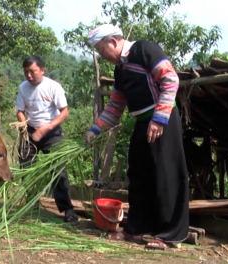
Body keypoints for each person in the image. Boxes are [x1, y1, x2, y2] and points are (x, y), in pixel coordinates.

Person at [85, 24, 189, 250]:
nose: (103, 56)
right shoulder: (120, 69)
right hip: (143, 122)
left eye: (102, 50)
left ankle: (169, 235)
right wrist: (96, 129)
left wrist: (160, 117)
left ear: (113, 41)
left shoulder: (145, 50)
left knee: (165, 175)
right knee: (138, 174)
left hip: (163, 120)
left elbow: (170, 79)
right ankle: (135, 229)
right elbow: (116, 105)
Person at [15, 55, 78, 222]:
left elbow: (64, 112)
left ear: (42, 70)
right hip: (30, 131)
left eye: (32, 71)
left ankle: (67, 209)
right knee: (26, 166)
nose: (29, 75)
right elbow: (20, 111)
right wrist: (23, 124)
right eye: (26, 72)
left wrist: (46, 129)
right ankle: (32, 204)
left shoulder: (53, 87)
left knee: (58, 169)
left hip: (51, 131)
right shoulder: (23, 88)